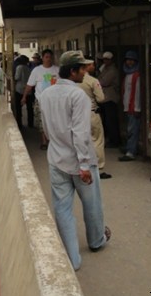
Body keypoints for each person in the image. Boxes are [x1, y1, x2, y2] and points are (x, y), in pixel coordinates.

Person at [37, 50, 111, 270]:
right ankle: (96, 240)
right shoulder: (78, 96)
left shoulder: (47, 94)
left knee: (62, 208)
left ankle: (72, 258)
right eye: (82, 68)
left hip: (57, 159)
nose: (85, 72)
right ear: (73, 71)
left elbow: (46, 128)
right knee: (92, 204)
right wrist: (84, 164)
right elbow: (80, 133)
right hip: (80, 163)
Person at [78, 55, 111, 179]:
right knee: (97, 140)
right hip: (91, 113)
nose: (94, 66)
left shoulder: (73, 81)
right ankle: (99, 168)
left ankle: (84, 166)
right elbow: (101, 98)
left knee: (82, 140)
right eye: (92, 64)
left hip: (78, 115)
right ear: (86, 66)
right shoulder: (92, 80)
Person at [21, 49, 59, 150]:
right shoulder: (37, 71)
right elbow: (29, 85)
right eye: (46, 57)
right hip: (40, 100)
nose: (48, 59)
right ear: (42, 58)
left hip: (54, 101)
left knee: (54, 121)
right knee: (41, 121)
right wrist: (24, 97)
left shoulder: (57, 70)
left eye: (50, 57)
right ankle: (44, 141)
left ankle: (53, 141)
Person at [118, 51, 141, 161]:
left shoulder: (136, 75)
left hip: (133, 107)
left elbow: (137, 93)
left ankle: (131, 152)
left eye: (132, 60)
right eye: (128, 60)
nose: (129, 62)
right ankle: (129, 147)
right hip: (128, 106)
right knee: (130, 129)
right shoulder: (128, 74)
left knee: (132, 130)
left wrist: (137, 108)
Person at [98, 51, 121, 148]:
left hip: (111, 98)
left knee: (111, 121)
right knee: (107, 120)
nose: (105, 61)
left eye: (107, 59)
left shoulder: (112, 70)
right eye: (104, 59)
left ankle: (114, 140)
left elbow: (103, 82)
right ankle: (110, 139)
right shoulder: (105, 68)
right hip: (105, 97)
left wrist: (98, 80)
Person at [14, 55, 33, 128]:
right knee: (29, 108)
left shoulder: (19, 67)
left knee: (18, 108)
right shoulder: (28, 68)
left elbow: (17, 77)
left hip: (20, 90)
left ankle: (19, 124)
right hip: (28, 89)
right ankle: (30, 123)